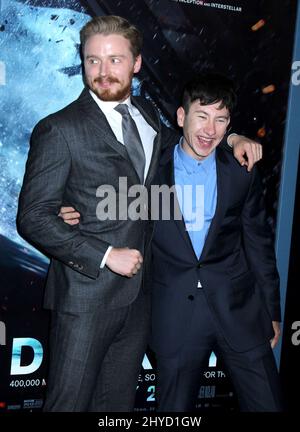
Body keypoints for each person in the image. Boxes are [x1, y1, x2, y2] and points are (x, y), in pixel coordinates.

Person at [17, 15, 261, 412]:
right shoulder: (59, 129)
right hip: (85, 299)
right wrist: (105, 255)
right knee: (68, 404)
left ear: (136, 63)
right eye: (92, 60)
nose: (102, 71)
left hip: (139, 301)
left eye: (114, 60)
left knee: (114, 407)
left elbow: (186, 141)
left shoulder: (147, 115)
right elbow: (32, 217)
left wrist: (232, 136)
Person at [149, 73, 283, 411]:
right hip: (176, 313)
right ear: (181, 117)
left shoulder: (241, 170)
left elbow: (258, 243)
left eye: (221, 120)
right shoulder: (151, 170)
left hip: (239, 309)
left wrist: (271, 309)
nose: (210, 130)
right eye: (202, 116)